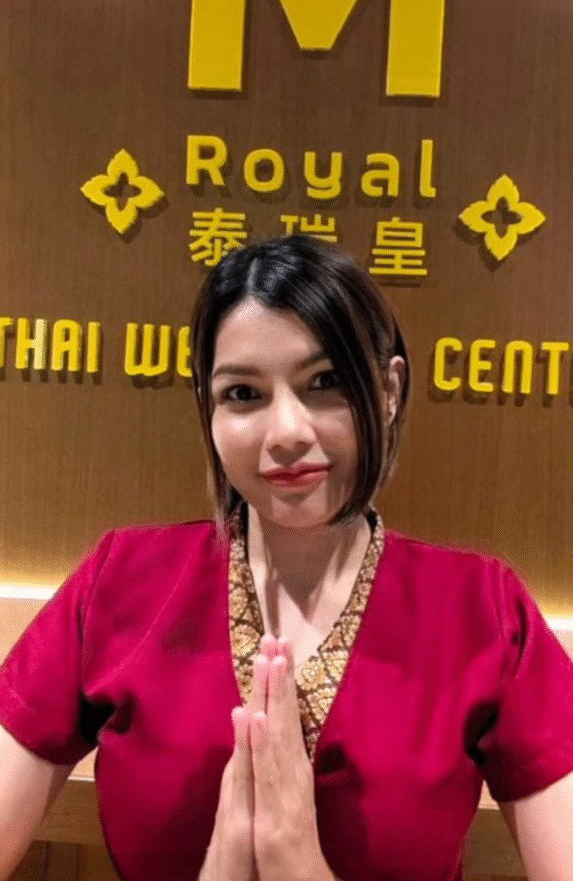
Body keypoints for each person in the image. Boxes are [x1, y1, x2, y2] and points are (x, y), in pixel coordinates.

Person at [1, 232, 573, 881]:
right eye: (243, 394)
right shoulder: (122, 580)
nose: (286, 433)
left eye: (326, 382)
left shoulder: (482, 610)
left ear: (389, 389)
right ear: (208, 406)